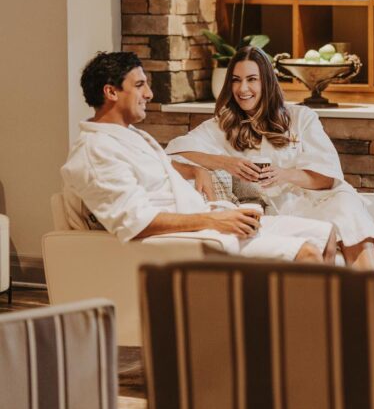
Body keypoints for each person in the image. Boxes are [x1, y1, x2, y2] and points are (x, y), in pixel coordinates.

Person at [61, 52, 336, 263]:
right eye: (140, 85)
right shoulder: (95, 152)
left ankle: (325, 334)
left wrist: (194, 171)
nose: (149, 94)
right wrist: (215, 221)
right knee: (308, 252)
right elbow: (135, 222)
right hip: (190, 236)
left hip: (206, 220)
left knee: (326, 235)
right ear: (111, 92)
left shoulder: (127, 136)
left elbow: (159, 167)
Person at [165, 46, 374, 269]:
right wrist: (224, 163)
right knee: (372, 245)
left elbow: (327, 179)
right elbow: (174, 152)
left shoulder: (301, 117)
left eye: (251, 80)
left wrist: (283, 175)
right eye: (236, 80)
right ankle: (369, 305)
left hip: (316, 201)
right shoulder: (220, 127)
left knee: (348, 209)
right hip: (276, 213)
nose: (242, 89)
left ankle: (370, 307)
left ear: (267, 82)